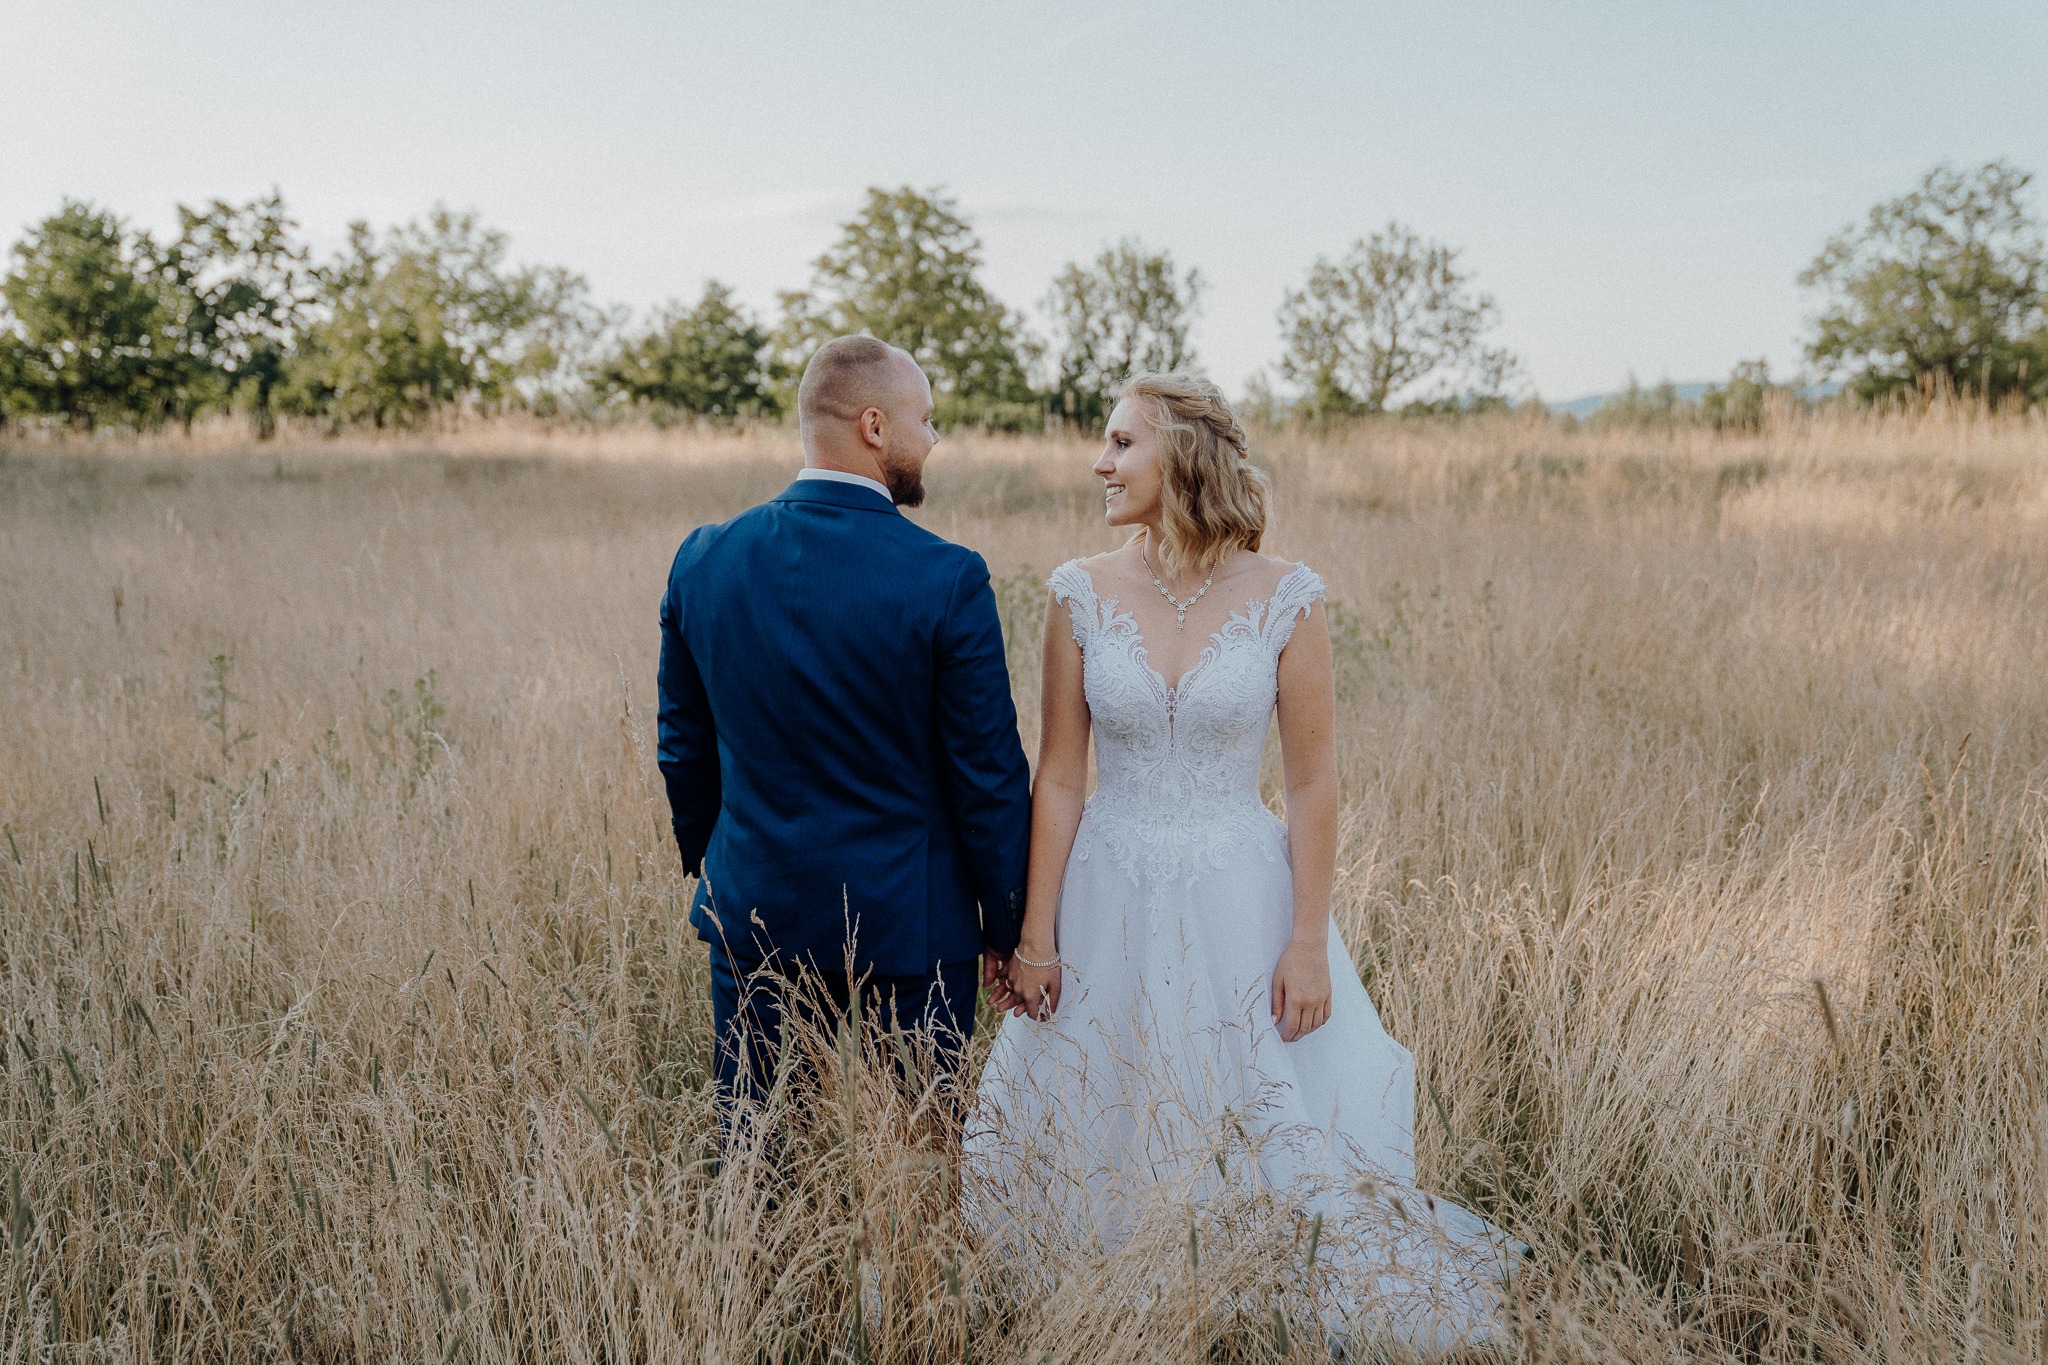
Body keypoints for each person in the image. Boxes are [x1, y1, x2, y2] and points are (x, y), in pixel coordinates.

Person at [965, 373, 1522, 1351]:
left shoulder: (1285, 598)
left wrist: (1306, 941)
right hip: (1107, 883)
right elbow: (1057, 776)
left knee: (1255, 1098)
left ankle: (1249, 1276)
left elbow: (1311, 783)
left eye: (1119, 441)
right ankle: (1099, 1290)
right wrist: (1034, 935)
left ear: (1182, 455)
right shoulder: (1076, 592)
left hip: (1239, 889)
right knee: (1102, 1088)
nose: (1098, 461)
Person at [656, 335, 1032, 1116]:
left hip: (752, 909)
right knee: (920, 1161)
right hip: (912, 928)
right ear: (873, 426)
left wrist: (720, 862)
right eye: (924, 421)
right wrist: (1007, 924)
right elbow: (988, 774)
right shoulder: (947, 576)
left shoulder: (704, 561)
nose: (934, 441)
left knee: (755, 1160)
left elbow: (682, 745)